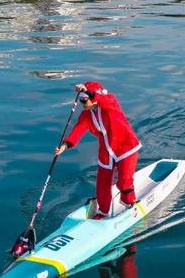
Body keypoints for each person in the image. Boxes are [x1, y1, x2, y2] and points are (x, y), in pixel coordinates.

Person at [55, 82, 142, 219]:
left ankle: (129, 202)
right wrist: (64, 145)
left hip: (126, 146)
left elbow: (104, 100)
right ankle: (103, 212)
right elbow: (78, 130)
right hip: (106, 150)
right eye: (80, 100)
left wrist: (87, 91)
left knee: (124, 181)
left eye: (85, 99)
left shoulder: (110, 103)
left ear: (93, 97)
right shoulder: (86, 115)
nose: (82, 103)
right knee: (102, 184)